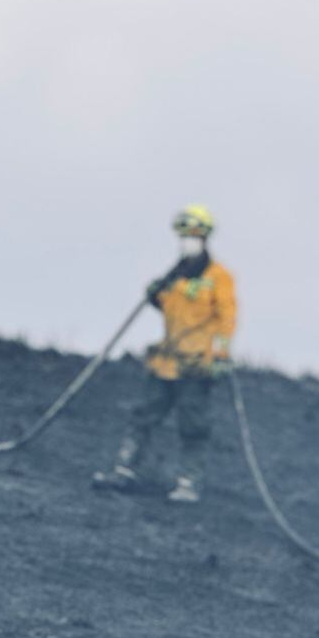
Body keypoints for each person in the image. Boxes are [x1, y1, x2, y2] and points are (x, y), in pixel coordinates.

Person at [93, 205, 237, 504]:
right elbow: (172, 309)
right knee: (143, 416)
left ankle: (188, 483)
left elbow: (227, 318)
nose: (188, 241)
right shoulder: (175, 274)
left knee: (193, 425)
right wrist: (156, 295)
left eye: (194, 236)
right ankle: (124, 470)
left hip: (196, 365)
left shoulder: (219, 277)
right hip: (166, 361)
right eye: (184, 236)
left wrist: (221, 354)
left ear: (205, 238)